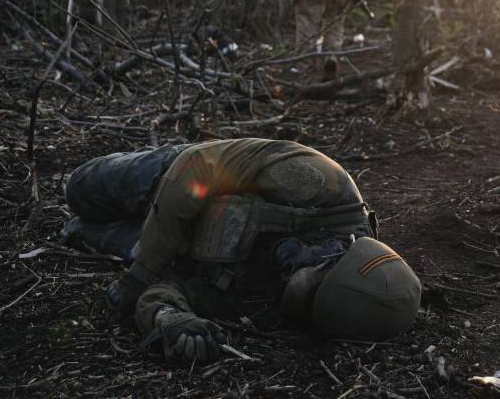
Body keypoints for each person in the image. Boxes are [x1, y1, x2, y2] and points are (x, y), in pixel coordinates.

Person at [62, 139, 421, 363]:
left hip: (176, 246)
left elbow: (171, 291)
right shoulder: (322, 184)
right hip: (178, 180)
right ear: (343, 247)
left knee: (78, 230)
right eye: (316, 265)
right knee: (78, 189)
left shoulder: (275, 304)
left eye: (303, 293)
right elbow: (199, 166)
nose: (289, 271)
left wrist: (171, 321)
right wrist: (142, 272)